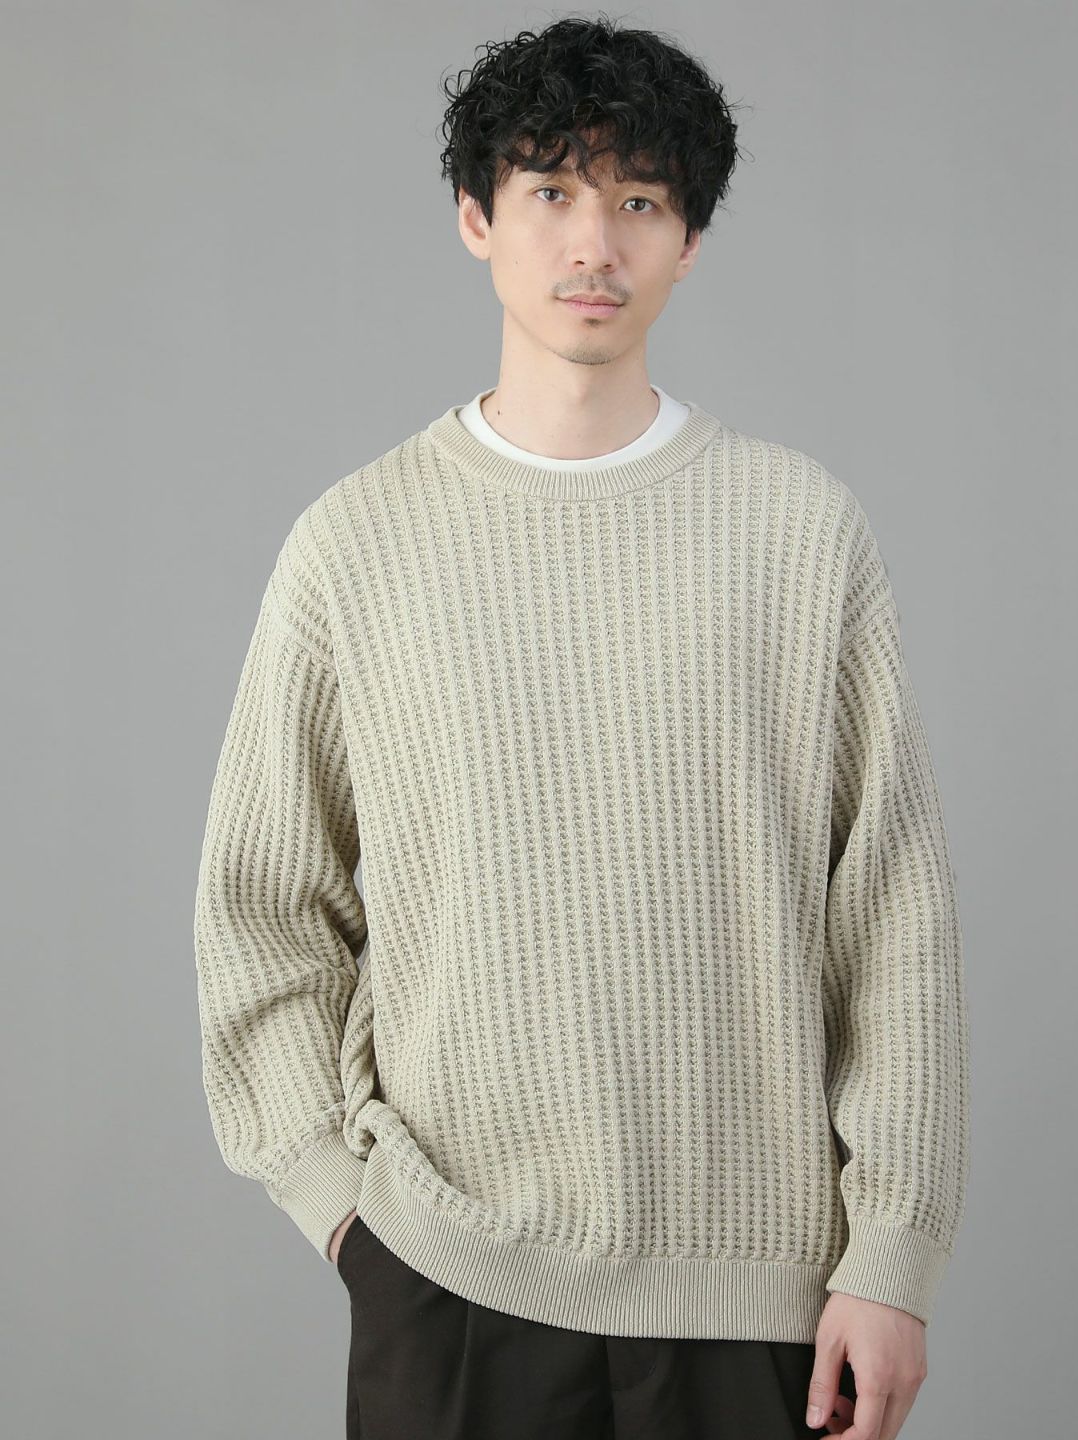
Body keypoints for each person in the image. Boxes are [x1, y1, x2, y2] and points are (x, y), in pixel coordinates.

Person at [193, 15, 970, 1440]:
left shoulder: (802, 534)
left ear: (689, 242)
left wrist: (893, 1257)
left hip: (756, 1304)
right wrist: (346, 1213)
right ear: (476, 219)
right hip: (449, 1276)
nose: (593, 242)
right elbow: (262, 910)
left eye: (641, 200)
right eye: (551, 190)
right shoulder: (355, 546)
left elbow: (894, 921)